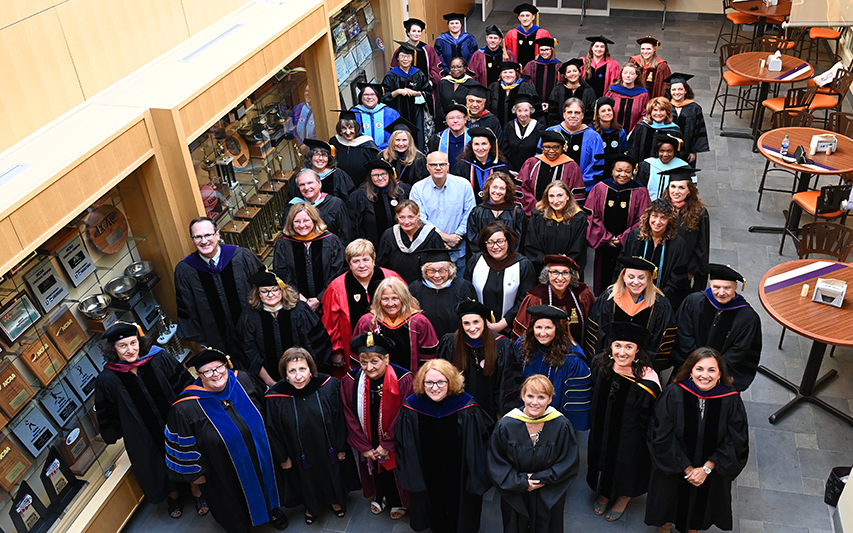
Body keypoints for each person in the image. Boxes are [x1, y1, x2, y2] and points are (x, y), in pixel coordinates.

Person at [165, 349, 287, 533]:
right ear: (199, 375)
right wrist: (195, 473)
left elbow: (269, 411)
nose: (216, 374)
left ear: (226, 366)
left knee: (267, 481)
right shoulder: (185, 407)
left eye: (219, 367)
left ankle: (272, 511)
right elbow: (182, 444)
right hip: (221, 468)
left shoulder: (244, 381)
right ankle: (239, 526)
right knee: (230, 499)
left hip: (259, 455)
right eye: (208, 371)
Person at [95, 322, 197, 518]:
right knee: (154, 462)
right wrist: (112, 433)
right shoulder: (107, 379)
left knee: (186, 448)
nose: (130, 350)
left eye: (133, 343)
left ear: (139, 341)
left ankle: (196, 490)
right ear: (113, 349)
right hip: (141, 432)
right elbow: (108, 413)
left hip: (174, 421)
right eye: (122, 346)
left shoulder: (158, 358)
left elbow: (183, 384)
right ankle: (173, 495)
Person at [645, 348, 749, 533]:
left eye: (711, 370)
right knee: (669, 496)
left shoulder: (730, 399)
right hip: (674, 465)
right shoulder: (674, 393)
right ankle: (666, 524)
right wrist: (687, 468)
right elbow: (661, 433)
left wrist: (706, 468)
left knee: (700, 506)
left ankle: (694, 527)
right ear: (690, 371)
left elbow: (736, 439)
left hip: (710, 471)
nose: (705, 375)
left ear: (720, 373)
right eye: (699, 369)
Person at [396, 359, 493, 533]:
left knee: (461, 516)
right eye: (429, 382)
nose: (434, 387)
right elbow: (405, 448)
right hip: (427, 476)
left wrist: (475, 476)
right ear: (421, 382)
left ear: (451, 381)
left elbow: (479, 446)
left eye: (441, 382)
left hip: (460, 478)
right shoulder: (411, 408)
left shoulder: (466, 407)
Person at [265, 348, 360, 524]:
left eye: (302, 369)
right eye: (292, 371)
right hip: (297, 451)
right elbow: (273, 429)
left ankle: (335, 500)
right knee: (305, 477)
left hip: (328, 446)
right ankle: (312, 506)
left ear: (311, 370)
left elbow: (340, 418)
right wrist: (282, 457)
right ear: (285, 375)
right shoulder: (275, 397)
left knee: (331, 472)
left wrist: (341, 447)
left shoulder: (329, 386)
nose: (298, 376)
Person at [587, 322, 661, 522]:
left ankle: (624, 497)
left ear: (637, 351)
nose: (622, 352)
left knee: (627, 462)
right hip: (603, 426)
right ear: (610, 346)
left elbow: (653, 416)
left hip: (632, 433)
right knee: (603, 455)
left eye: (629, 347)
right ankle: (605, 491)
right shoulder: (600, 364)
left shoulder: (647, 380)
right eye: (617, 345)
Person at [488, 374, 579, 533]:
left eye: (541, 397)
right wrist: (521, 482)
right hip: (515, 490)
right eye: (530, 396)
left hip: (549, 489)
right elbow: (496, 461)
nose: (535, 402)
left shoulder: (561, 424)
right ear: (523, 396)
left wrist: (539, 480)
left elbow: (568, 461)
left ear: (550, 399)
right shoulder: (506, 425)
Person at [341, 332, 414, 520]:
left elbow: (404, 415)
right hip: (368, 436)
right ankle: (379, 495)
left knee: (394, 468)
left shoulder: (403, 378)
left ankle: (398, 499)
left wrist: (388, 444)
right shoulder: (351, 380)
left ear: (386, 358)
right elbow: (348, 414)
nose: (368, 367)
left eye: (375, 361)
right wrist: (364, 447)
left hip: (393, 437)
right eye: (363, 362)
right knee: (372, 466)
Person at [175, 216, 264, 355]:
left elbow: (265, 288)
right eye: (198, 237)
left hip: (256, 333)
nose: (204, 241)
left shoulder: (241, 256)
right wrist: (201, 344)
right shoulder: (185, 271)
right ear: (192, 240)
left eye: (208, 235)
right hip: (215, 341)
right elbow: (187, 309)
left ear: (217, 235)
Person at [670, 264, 762, 392]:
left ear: (735, 287)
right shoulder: (694, 302)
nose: (721, 293)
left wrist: (714, 370)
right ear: (710, 284)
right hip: (689, 364)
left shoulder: (747, 318)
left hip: (723, 372)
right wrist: (696, 365)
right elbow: (684, 334)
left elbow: (739, 350)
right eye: (716, 287)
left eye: (727, 288)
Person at [321, 239, 404, 374]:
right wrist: (336, 351)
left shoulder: (390, 278)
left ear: (373, 260)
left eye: (366, 259)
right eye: (356, 261)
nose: (362, 265)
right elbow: (330, 324)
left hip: (392, 345)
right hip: (352, 350)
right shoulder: (337, 287)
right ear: (349, 263)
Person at [236, 270, 332, 386]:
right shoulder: (249, 317)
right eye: (264, 291)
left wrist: (303, 376)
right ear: (258, 294)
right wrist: (271, 383)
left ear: (283, 290)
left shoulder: (300, 311)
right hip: (268, 382)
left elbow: (316, 348)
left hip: (305, 378)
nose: (270, 295)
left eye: (275, 289)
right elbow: (249, 354)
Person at [585, 256, 676, 369]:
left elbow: (660, 339)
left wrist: (643, 365)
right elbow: (598, 333)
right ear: (623, 277)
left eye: (641, 278)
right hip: (610, 365)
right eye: (631, 277)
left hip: (643, 368)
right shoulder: (608, 299)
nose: (636, 282)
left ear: (649, 279)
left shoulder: (660, 304)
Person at [438, 299, 521, 418]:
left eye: (476, 322)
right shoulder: (451, 343)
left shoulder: (502, 346)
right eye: (466, 323)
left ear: (485, 322)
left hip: (491, 412)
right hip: (458, 411)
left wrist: (502, 416)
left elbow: (508, 385)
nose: (472, 328)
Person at [516, 305, 591, 430]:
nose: (543, 333)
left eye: (548, 328)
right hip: (522, 419)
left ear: (557, 329)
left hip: (555, 426)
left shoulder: (572, 358)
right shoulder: (522, 346)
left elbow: (575, 406)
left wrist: (563, 431)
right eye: (538, 327)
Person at [586, 154, 651, 295]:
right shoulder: (600, 188)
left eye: (628, 171)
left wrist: (623, 238)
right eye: (619, 170)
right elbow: (592, 215)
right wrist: (606, 237)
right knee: (603, 279)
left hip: (628, 246)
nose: (623, 174)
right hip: (604, 245)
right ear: (612, 171)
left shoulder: (640, 192)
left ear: (633, 172)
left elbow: (643, 219)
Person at [465, 222, 537, 336]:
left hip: (513, 330)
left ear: (508, 241)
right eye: (490, 242)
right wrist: (481, 321)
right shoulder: (476, 261)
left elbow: (525, 300)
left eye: (500, 241)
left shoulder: (523, 265)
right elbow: (468, 294)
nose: (495, 246)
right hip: (479, 328)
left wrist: (503, 324)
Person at [354, 277, 439, 371]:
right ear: (378, 300)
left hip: (411, 381)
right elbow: (358, 357)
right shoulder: (368, 322)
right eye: (385, 299)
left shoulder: (418, 322)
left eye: (395, 298)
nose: (390, 304)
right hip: (375, 381)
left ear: (403, 298)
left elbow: (428, 357)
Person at [273, 202, 346, 310]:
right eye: (297, 221)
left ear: (314, 220)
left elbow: (338, 272)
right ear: (291, 223)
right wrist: (299, 297)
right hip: (296, 304)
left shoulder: (331, 241)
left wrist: (320, 298)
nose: (302, 225)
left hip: (329, 301)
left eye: (306, 220)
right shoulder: (284, 244)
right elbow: (282, 274)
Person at [620, 198, 689, 309]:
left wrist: (659, 300)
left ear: (669, 221)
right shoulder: (634, 237)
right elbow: (622, 266)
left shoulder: (677, 244)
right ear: (648, 216)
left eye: (663, 218)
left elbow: (677, 280)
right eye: (655, 216)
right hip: (631, 296)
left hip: (661, 301)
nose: (657, 222)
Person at [410, 151, 477, 265]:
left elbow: (470, 213)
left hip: (459, 248)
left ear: (448, 166)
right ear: (427, 167)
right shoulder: (418, 189)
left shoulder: (463, 185)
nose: (438, 168)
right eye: (433, 165)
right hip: (431, 249)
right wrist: (445, 238)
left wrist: (457, 236)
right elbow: (420, 218)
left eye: (442, 164)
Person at [408, 248, 479, 340]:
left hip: (456, 342)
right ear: (425, 271)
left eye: (442, 270)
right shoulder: (415, 289)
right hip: (425, 343)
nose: (437, 275)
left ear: (450, 270)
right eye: (432, 270)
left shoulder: (463, 287)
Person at [661, 167, 710, 292]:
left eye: (681, 187)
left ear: (689, 190)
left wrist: (691, 270)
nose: (676, 191)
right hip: (660, 265)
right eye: (673, 186)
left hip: (683, 269)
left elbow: (702, 246)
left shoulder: (699, 212)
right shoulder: (660, 208)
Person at [525, 181, 589, 274]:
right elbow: (532, 243)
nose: (555, 200)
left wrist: (561, 266)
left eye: (560, 195)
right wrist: (546, 263)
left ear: (567, 196)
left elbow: (578, 248)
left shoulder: (578, 218)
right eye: (551, 196)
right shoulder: (538, 216)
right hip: (542, 269)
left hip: (567, 271)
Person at [377, 200, 445, 283]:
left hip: (426, 288)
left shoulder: (432, 237)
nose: (406, 221)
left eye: (411, 217)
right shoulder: (389, 236)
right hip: (396, 288)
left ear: (418, 216)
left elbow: (442, 265)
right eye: (402, 217)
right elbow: (382, 265)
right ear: (397, 217)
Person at [518, 130, 584, 215]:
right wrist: (537, 207)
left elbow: (575, 194)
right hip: (533, 214)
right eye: (547, 147)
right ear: (542, 147)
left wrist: (559, 210)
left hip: (561, 216)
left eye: (556, 147)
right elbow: (522, 187)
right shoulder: (532, 163)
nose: (551, 151)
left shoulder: (571, 166)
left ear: (563, 148)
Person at [382, 42, 433, 150]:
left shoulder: (418, 74)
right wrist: (397, 92)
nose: (405, 59)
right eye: (402, 56)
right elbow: (383, 97)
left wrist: (415, 93)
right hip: (398, 112)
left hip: (416, 112)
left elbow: (428, 92)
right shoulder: (391, 75)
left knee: (418, 137)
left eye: (408, 56)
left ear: (412, 58)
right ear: (398, 58)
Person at [350, 159, 411, 249]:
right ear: (370, 177)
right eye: (375, 175)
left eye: (383, 174)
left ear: (389, 174)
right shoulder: (360, 196)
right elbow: (355, 224)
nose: (380, 178)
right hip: (374, 246)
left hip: (403, 244)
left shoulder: (403, 189)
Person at [546, 98, 604, 190]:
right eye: (569, 112)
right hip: (551, 189)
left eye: (577, 113)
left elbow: (596, 166)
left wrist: (578, 184)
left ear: (582, 115)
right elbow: (541, 159)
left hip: (580, 190)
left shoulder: (594, 137)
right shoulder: (551, 133)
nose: (573, 116)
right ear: (564, 114)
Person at [466, 172, 527, 257]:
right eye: (494, 187)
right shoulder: (477, 212)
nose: (497, 191)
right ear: (488, 188)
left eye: (502, 188)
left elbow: (519, 242)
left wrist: (506, 257)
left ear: (507, 191)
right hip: (484, 260)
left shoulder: (517, 213)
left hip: (509, 260)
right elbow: (472, 240)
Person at [284, 169, 353, 242]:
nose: (306, 188)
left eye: (310, 183)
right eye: (302, 185)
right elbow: (287, 234)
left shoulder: (335, 204)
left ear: (319, 184)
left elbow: (345, 235)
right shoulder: (292, 207)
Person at [450, 126, 512, 201]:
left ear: (490, 145)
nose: (480, 148)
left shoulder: (500, 167)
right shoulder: (462, 166)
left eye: (484, 144)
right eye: (476, 144)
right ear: (471, 145)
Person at [290, 138, 356, 203]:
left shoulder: (338, 175)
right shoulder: (300, 177)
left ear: (329, 158)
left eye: (324, 155)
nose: (321, 158)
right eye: (317, 154)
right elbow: (294, 200)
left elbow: (350, 198)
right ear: (310, 157)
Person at [665, 72, 710, 168]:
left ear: (686, 91)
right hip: (666, 149)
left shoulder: (694, 108)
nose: (677, 92)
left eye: (680, 89)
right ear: (669, 91)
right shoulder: (665, 106)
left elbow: (698, 131)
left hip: (686, 149)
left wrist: (693, 151)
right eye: (674, 89)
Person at [626, 97, 683, 165]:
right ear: (650, 112)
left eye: (662, 110)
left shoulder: (674, 130)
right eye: (655, 110)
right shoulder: (641, 127)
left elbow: (678, 153)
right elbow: (633, 148)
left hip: (665, 168)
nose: (658, 113)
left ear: (667, 112)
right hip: (642, 167)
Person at [329, 110, 379, 185]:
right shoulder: (335, 142)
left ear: (356, 128)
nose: (348, 132)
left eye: (351, 128)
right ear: (339, 129)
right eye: (344, 128)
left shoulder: (367, 144)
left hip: (364, 187)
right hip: (341, 187)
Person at [635, 132, 690, 201]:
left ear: (675, 151)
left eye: (669, 151)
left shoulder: (683, 167)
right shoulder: (647, 165)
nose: (665, 154)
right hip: (648, 206)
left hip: (674, 208)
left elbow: (691, 191)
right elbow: (638, 188)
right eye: (662, 151)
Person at [499, 93, 546, 172]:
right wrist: (509, 169)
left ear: (531, 111)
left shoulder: (539, 128)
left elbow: (540, 151)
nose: (523, 114)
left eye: (526, 110)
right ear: (515, 111)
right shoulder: (509, 127)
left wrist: (530, 170)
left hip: (532, 170)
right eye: (519, 111)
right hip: (511, 171)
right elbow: (504, 150)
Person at [390, 18, 443, 86]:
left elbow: (435, 67)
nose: (417, 34)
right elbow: (395, 68)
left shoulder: (428, 49)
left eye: (419, 31)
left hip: (426, 86)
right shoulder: (401, 50)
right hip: (406, 87)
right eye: (414, 31)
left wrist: (431, 81)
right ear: (408, 32)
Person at [488, 61, 539, 126]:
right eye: (505, 72)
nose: (508, 75)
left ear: (516, 74)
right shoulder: (494, 87)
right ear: (501, 74)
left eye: (511, 72)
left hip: (520, 130)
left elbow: (536, 111)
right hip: (497, 129)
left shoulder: (526, 87)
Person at [548, 58, 596, 125]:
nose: (572, 74)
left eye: (574, 71)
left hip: (582, 128)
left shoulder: (588, 90)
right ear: (565, 75)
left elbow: (590, 112)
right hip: (561, 128)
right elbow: (553, 112)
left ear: (579, 73)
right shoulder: (558, 90)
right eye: (569, 72)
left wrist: (582, 126)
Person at [381, 116, 429, 185]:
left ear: (410, 141)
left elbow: (422, 183)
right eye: (397, 140)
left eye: (404, 140)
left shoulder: (419, 158)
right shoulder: (383, 156)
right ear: (392, 141)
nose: (401, 144)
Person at [353, 82, 400, 150]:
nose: (369, 97)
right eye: (366, 94)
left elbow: (397, 136)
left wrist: (380, 149)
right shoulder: (354, 114)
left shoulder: (390, 113)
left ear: (377, 96)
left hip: (387, 153)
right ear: (361, 97)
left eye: (372, 94)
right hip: (362, 154)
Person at [605, 62, 649, 133]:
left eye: (631, 74)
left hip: (634, 133)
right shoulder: (612, 91)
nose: (628, 76)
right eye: (625, 73)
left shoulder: (642, 94)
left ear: (636, 75)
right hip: (611, 131)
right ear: (621, 74)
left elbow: (644, 115)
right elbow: (604, 110)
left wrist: (634, 132)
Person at [504, 3, 552, 68]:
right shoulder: (511, 34)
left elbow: (549, 53)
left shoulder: (543, 33)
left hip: (538, 69)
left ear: (533, 17)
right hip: (517, 71)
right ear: (519, 18)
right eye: (522, 16)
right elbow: (507, 54)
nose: (525, 18)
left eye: (527, 15)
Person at [592, 96, 628, 179]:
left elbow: (623, 151)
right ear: (598, 114)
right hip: (595, 173)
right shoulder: (592, 132)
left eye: (609, 110)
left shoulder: (620, 132)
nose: (607, 113)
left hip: (614, 174)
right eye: (603, 111)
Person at [427, 103, 470, 167]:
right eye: (451, 118)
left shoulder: (473, 138)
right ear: (446, 120)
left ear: (465, 119)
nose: (455, 121)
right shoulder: (437, 139)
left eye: (459, 117)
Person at [523, 37, 562, 104]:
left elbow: (560, 83)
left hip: (553, 103)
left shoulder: (559, 66)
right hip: (534, 102)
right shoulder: (531, 65)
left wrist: (552, 100)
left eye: (547, 49)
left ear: (552, 50)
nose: (544, 52)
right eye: (541, 50)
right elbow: (527, 82)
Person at [435, 57, 472, 126]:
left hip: (464, 123)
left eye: (459, 67)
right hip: (444, 122)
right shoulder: (443, 83)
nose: (455, 69)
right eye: (453, 67)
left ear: (465, 68)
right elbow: (439, 104)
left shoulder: (471, 84)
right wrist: (446, 119)